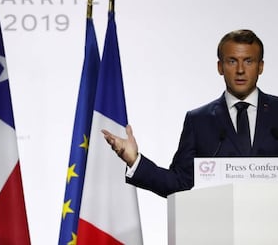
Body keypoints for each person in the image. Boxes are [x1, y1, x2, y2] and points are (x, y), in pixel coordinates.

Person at [102, 29, 278, 198]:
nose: (240, 70)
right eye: (232, 61)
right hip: (219, 225)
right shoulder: (199, 121)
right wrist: (135, 160)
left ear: (260, 66)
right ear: (220, 67)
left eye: (249, 61)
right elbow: (180, 183)